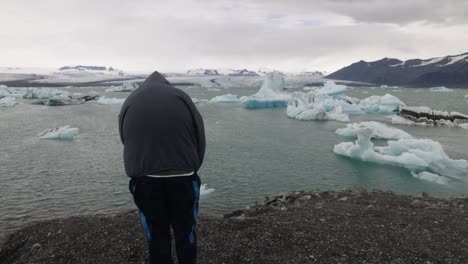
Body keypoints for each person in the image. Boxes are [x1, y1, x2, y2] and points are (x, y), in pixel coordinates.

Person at [118, 71, 206, 264]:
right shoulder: (181, 96)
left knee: (156, 230)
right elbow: (199, 134)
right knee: (185, 228)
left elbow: (124, 137)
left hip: (145, 178)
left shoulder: (131, 99)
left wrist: (141, 163)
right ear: (166, 83)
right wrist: (192, 166)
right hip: (183, 176)